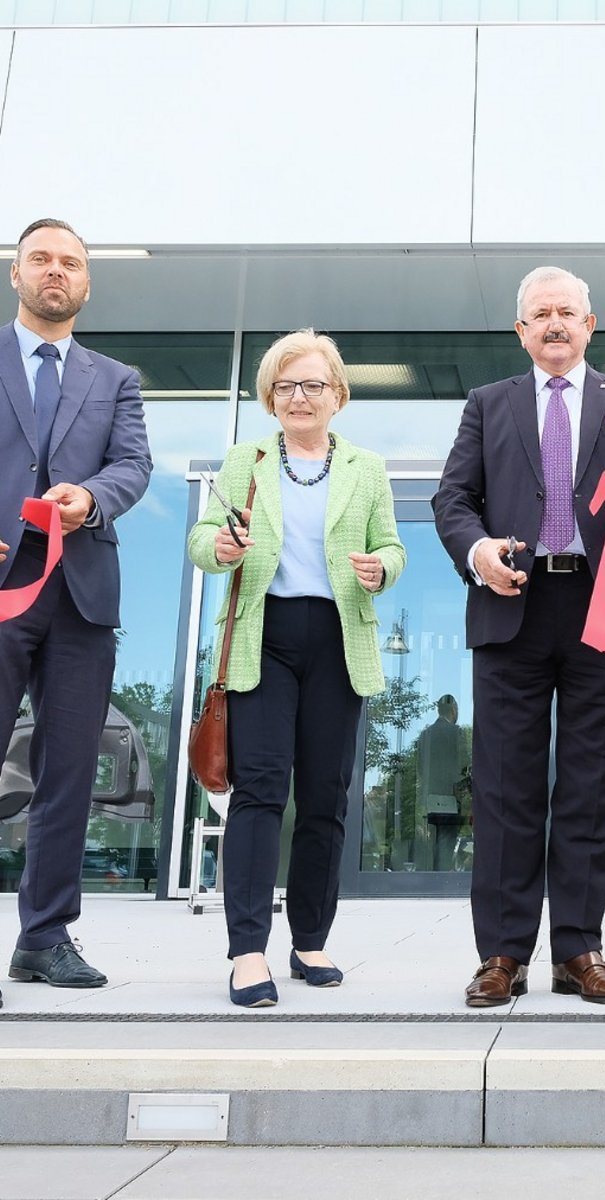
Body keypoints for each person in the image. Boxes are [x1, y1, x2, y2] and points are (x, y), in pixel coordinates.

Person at [433, 265, 605, 1007]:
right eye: (539, 313)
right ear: (520, 330)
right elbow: (453, 497)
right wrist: (477, 552)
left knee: (592, 783)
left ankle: (579, 950)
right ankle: (502, 954)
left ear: (590, 324)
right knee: (506, 786)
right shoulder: (488, 404)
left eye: (566, 312)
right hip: (513, 600)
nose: (554, 324)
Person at [188, 329, 405, 1008]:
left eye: (313, 384)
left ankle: (309, 939)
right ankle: (248, 950)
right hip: (265, 637)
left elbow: (391, 546)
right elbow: (202, 541)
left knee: (325, 796)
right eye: (286, 386)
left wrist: (381, 569)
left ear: (337, 395)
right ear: (270, 397)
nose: (300, 396)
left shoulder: (366, 467)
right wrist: (220, 546)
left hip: (339, 639)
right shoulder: (244, 459)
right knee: (257, 791)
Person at [0, 218, 152, 1005]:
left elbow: (134, 464)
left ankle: (44, 937)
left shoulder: (114, 377)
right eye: (41, 260)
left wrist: (91, 497)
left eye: (71, 263)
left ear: (86, 283)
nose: (55, 272)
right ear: (17, 273)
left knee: (66, 774)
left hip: (81, 598)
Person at [415, 694, 468, 871]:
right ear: (453, 710)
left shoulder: (425, 735)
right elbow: (463, 767)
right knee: (446, 841)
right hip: (450, 798)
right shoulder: (456, 732)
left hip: (429, 798)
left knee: (431, 841)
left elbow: (421, 769)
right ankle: (442, 880)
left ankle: (430, 877)